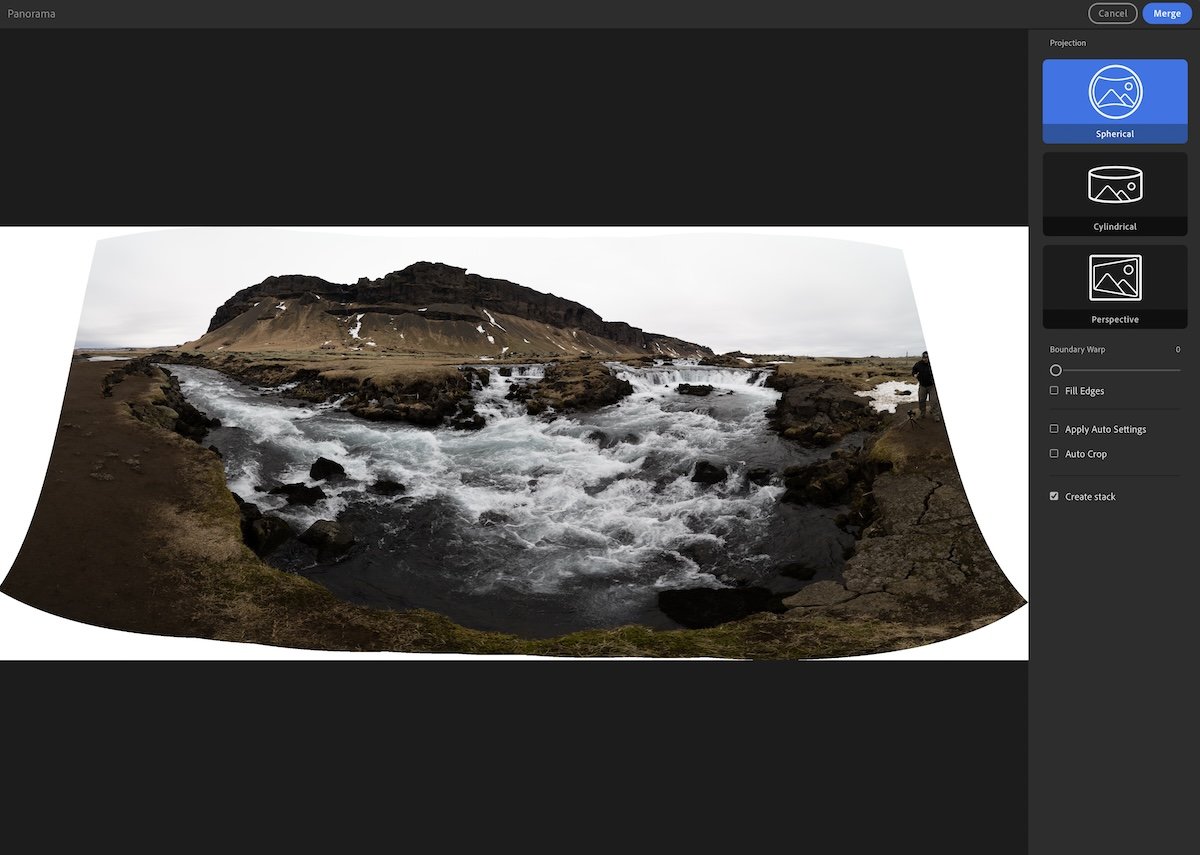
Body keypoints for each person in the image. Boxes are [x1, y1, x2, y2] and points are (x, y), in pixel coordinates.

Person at [911, 351, 939, 420]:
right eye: (924, 358)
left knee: (934, 401)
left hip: (932, 386)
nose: (925, 359)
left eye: (926, 358)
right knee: (921, 400)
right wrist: (914, 374)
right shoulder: (918, 364)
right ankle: (922, 413)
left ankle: (936, 415)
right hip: (922, 386)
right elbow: (913, 370)